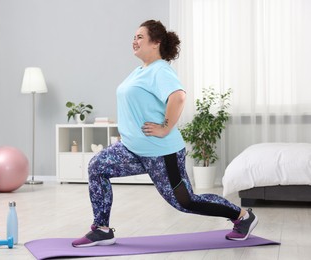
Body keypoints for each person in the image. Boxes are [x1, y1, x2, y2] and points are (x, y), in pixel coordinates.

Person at [72, 20, 258, 248]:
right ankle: (102, 229)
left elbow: (178, 97)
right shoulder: (140, 71)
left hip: (161, 152)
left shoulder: (161, 70)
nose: (134, 41)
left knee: (185, 202)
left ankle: (243, 217)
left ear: (156, 42)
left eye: (140, 37)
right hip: (132, 148)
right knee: (97, 167)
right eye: (134, 36)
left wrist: (165, 127)